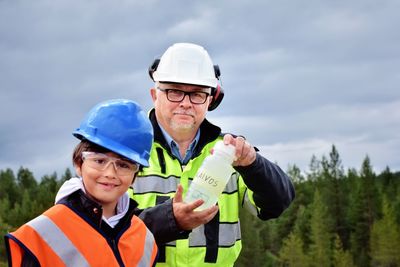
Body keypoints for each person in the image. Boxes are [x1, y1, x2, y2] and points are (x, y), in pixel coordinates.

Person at [129, 43, 295, 266]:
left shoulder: (230, 152)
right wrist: (171, 219)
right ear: (154, 95)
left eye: (197, 94)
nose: (186, 103)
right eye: (175, 91)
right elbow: (107, 226)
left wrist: (252, 164)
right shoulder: (127, 151)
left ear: (210, 99)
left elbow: (276, 205)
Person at [5, 99, 159, 266]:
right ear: (79, 164)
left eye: (123, 165)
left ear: (134, 176)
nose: (110, 173)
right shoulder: (39, 236)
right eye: (99, 161)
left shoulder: (145, 239)